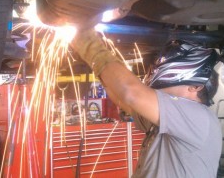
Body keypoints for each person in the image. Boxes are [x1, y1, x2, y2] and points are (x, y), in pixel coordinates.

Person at [71, 29, 222, 178]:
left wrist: (86, 42)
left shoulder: (198, 116)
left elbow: (131, 93)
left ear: (195, 87)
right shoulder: (172, 118)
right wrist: (99, 68)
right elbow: (124, 100)